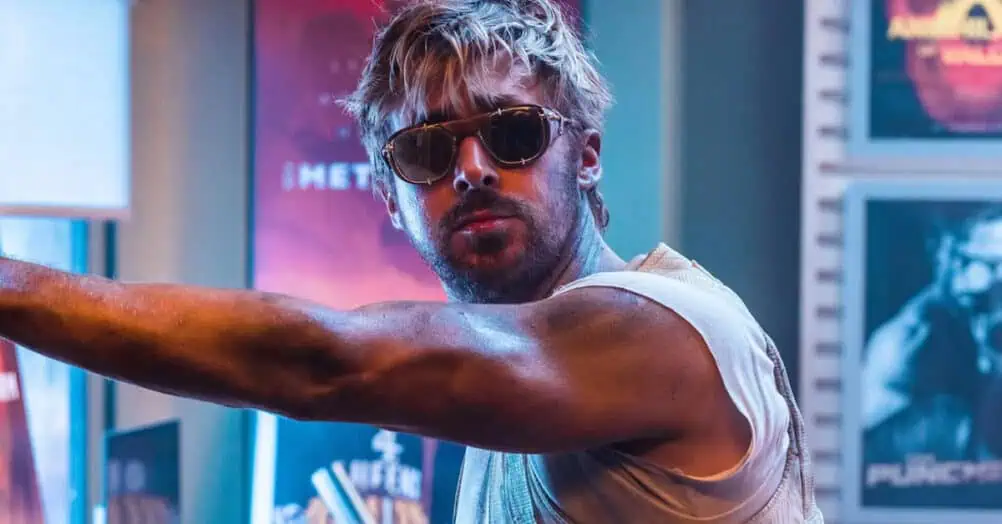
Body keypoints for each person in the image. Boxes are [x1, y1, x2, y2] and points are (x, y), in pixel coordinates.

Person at [0, 0, 820, 522]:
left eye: (513, 133)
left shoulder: (661, 331)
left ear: (588, 156)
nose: (472, 170)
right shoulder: (505, 384)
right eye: (427, 151)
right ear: (391, 199)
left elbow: (322, 365)